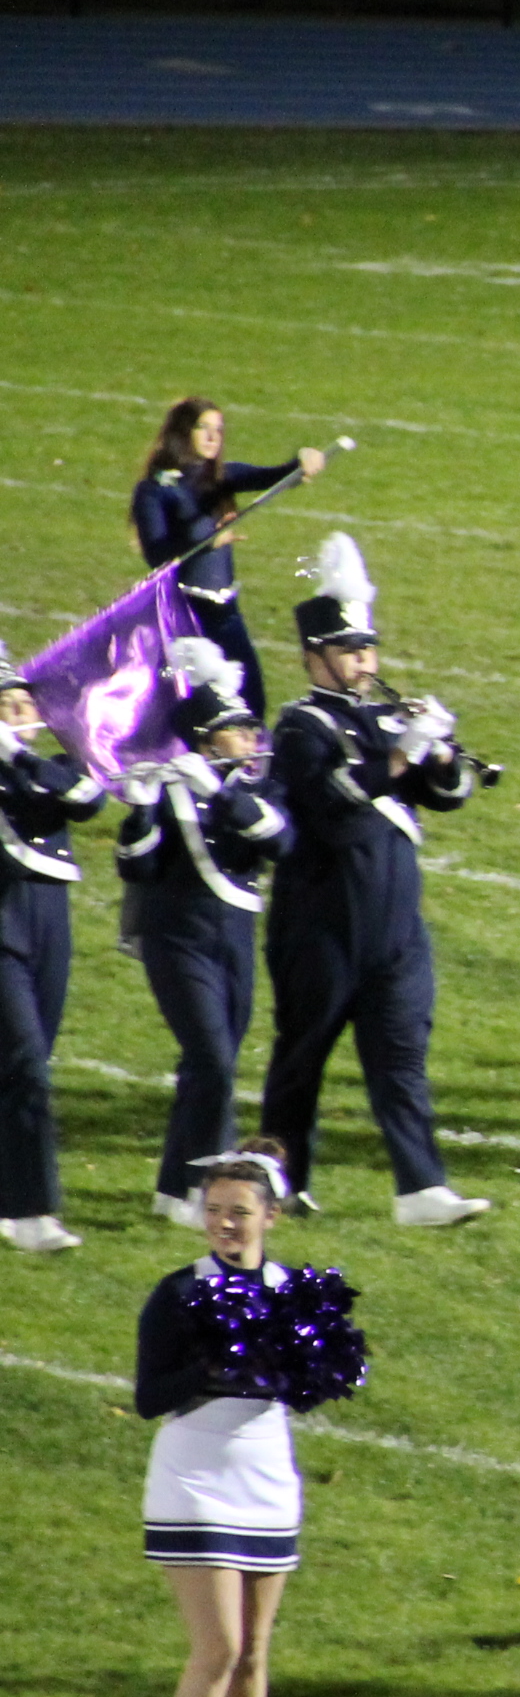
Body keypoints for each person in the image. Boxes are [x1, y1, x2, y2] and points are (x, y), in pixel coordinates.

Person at [256, 536, 487, 1226]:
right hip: (321, 922)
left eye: (368, 649)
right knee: (302, 1058)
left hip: (396, 925)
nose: (363, 661)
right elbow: (331, 807)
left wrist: (440, 755)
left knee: (402, 1058)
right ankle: (282, 1180)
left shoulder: (388, 719)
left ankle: (421, 1189)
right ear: (314, 656)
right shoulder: (300, 727)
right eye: (348, 650)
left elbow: (449, 797)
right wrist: (398, 758)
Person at [135, 1140, 326, 1697]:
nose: (223, 1223)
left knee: (253, 1652)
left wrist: (306, 1365)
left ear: (270, 1216)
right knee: (218, 1646)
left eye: (239, 1212)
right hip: (195, 1476)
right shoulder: (179, 1291)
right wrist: (212, 1364)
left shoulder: (293, 1291)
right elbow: (149, 1396)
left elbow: (311, 1387)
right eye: (214, 1210)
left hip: (267, 1475)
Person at [119, 640, 294, 1230]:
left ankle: (175, 1191)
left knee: (210, 1068)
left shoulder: (254, 790)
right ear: (206, 740)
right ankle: (205, 1193)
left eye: (250, 729)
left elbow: (279, 841)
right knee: (213, 1062)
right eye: (237, 731)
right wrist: (141, 808)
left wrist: (220, 793)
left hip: (235, 938)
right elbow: (136, 867)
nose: (250, 739)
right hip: (177, 937)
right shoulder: (169, 790)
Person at [0, 644, 105, 1254]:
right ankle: (34, 1211)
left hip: (49, 920)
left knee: (25, 1066)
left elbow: (87, 799)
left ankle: (9, 1202)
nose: (21, 714)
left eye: (24, 704)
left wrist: (18, 754)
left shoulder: (46, 764)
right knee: (27, 1068)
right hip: (2, 922)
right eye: (7, 706)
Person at [129, 399, 326, 717]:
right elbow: (157, 555)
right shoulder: (154, 490)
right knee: (205, 710)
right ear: (182, 432)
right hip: (186, 613)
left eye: (218, 430)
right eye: (203, 428)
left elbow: (274, 476)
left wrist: (302, 461)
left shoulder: (221, 477)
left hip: (226, 610)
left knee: (251, 701)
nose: (213, 437)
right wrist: (206, 541)